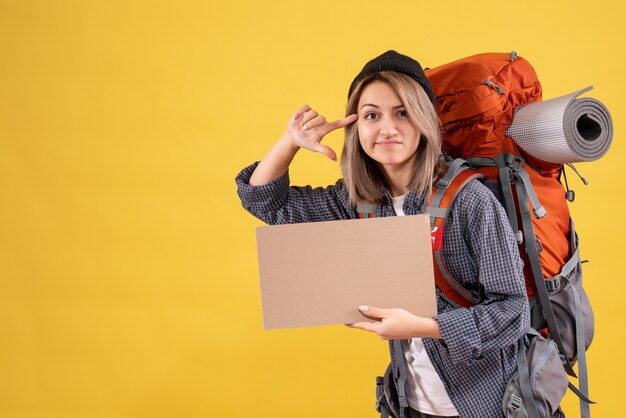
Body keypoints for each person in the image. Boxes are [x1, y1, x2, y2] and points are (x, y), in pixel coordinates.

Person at [235, 50, 530, 418]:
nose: (387, 129)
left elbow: (513, 313)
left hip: (489, 404)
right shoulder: (360, 201)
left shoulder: (471, 202)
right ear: (356, 127)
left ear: (424, 120)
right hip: (411, 404)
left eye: (403, 113)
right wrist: (290, 141)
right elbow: (268, 205)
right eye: (372, 115)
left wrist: (422, 326)